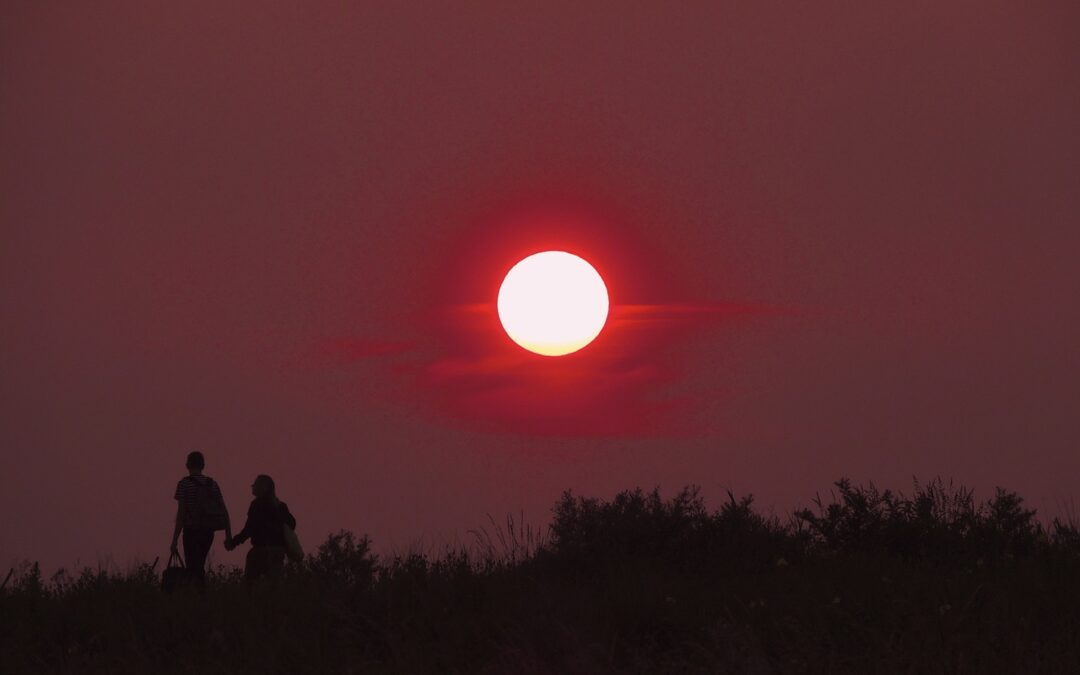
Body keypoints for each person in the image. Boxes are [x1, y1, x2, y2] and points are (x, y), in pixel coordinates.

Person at [170, 451, 232, 588]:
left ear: (187, 465)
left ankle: (197, 595)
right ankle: (200, 594)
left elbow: (181, 514)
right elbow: (224, 511)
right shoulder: (212, 484)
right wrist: (228, 535)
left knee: (192, 566)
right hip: (208, 531)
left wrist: (174, 539)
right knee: (199, 564)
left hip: (191, 530)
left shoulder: (184, 484)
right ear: (203, 465)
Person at [225, 474, 296, 581]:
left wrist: (234, 542)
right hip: (277, 551)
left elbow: (248, 530)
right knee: (273, 588)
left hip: (259, 551)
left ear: (263, 487)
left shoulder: (256, 505)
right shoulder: (280, 506)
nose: (252, 486)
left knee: (251, 588)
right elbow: (292, 524)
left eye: (255, 484)